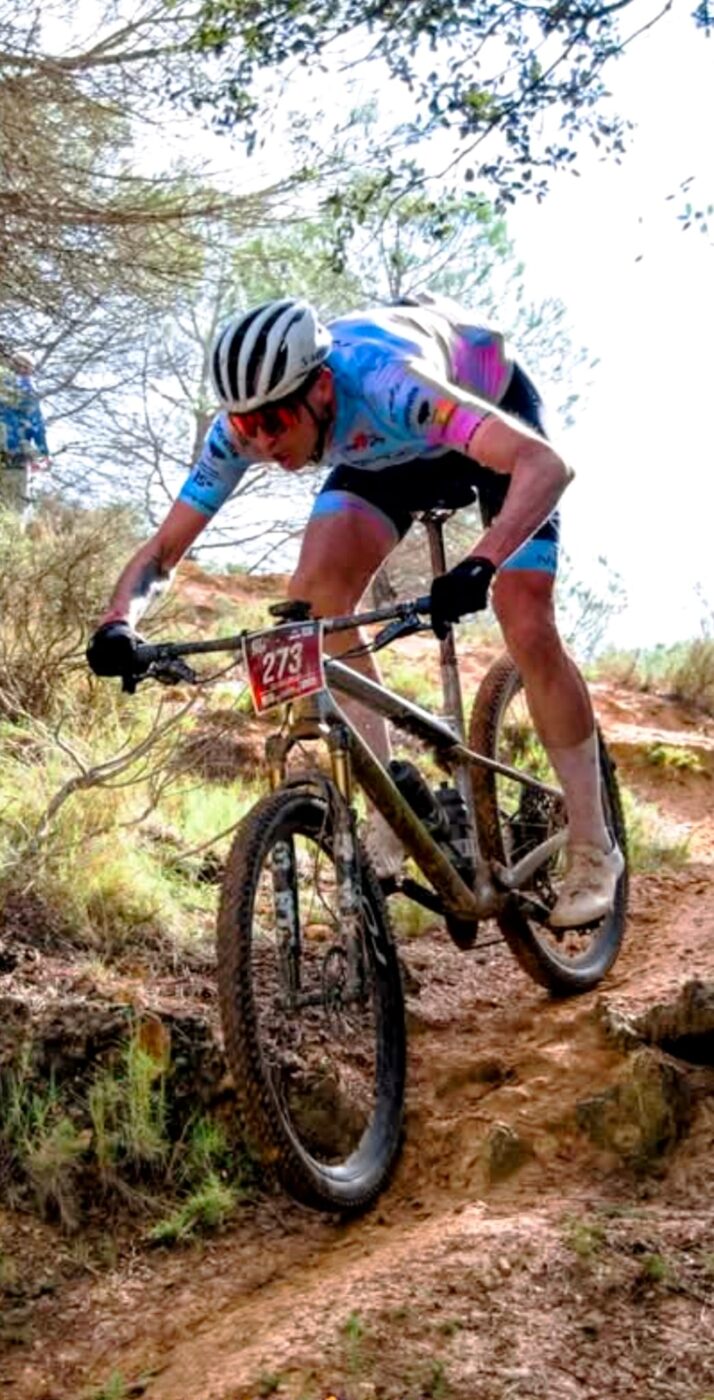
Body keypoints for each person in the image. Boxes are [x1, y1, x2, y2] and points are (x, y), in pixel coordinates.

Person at [87, 294, 624, 928]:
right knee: (314, 598)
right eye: (247, 424)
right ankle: (391, 805)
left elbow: (547, 465)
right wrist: (118, 621)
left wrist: (481, 560)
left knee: (523, 612)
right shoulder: (243, 429)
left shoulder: (387, 381)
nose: (262, 439)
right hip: (384, 455)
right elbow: (164, 549)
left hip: (484, 419)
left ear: (319, 387)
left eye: (276, 419)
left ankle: (594, 846)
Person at [0, 353, 50, 516]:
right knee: (14, 507)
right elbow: (37, 425)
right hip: (15, 455)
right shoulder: (28, 390)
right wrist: (43, 453)